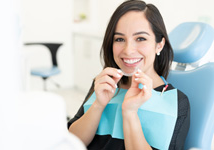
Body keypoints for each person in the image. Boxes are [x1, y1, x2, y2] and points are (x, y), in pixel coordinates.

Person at [68, 0, 190, 150]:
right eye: (119, 39)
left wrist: (130, 112)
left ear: (159, 44)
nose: (128, 50)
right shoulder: (103, 84)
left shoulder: (176, 102)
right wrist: (98, 105)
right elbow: (69, 143)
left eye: (140, 38)